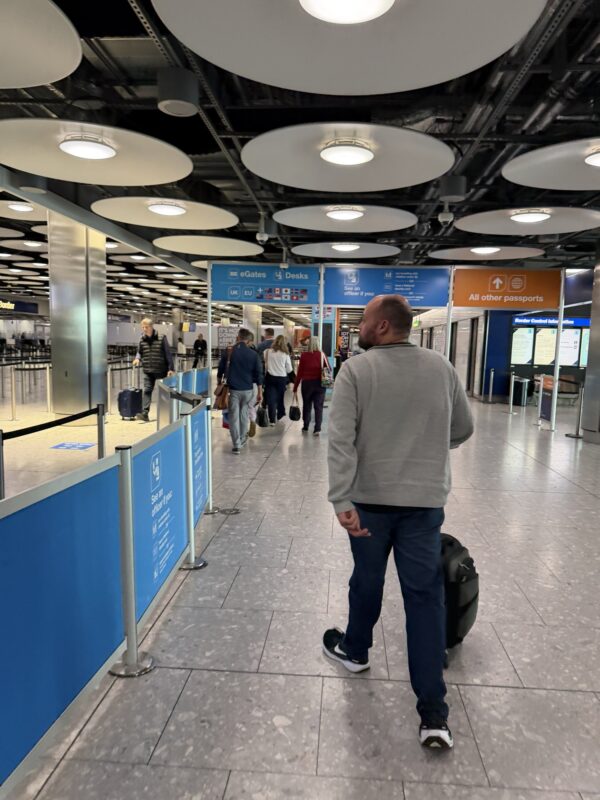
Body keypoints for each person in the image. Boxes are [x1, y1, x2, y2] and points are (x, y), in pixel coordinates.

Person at [323, 294, 473, 751]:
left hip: (369, 503)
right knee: (425, 598)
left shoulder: (356, 370)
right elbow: (462, 429)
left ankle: (356, 651)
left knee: (366, 581)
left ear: (384, 326)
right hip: (423, 506)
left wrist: (340, 498)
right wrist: (423, 446)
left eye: (366, 320)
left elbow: (340, 438)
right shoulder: (442, 368)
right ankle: (433, 715)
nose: (361, 326)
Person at [217, 328, 263, 454]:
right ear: (248, 341)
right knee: (243, 414)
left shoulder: (229, 352)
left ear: (238, 337)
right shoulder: (253, 354)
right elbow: (259, 374)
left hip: (233, 390)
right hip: (248, 389)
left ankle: (236, 444)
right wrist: (260, 392)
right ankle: (242, 438)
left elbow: (221, 370)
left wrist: (219, 382)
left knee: (233, 417)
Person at [133, 318, 175, 422]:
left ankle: (170, 413)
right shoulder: (141, 338)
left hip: (162, 369)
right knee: (147, 390)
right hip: (148, 369)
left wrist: (171, 368)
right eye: (142, 327)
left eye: (146, 327)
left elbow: (167, 353)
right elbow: (139, 351)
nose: (144, 329)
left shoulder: (161, 337)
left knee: (165, 392)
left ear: (151, 327)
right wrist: (137, 358)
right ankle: (145, 413)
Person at [293, 336, 326, 436]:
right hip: (320, 384)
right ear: (318, 344)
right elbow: (327, 369)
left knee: (307, 405)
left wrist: (295, 387)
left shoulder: (304, 355)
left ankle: (306, 426)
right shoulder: (322, 355)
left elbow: (299, 372)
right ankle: (317, 429)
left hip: (307, 384)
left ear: (309, 343)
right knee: (318, 406)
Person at [264, 334, 293, 426]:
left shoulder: (267, 352)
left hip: (270, 378)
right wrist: (294, 379)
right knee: (280, 398)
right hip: (281, 379)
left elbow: (264, 363)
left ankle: (272, 419)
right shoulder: (285, 354)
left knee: (271, 399)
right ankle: (280, 414)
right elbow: (289, 369)